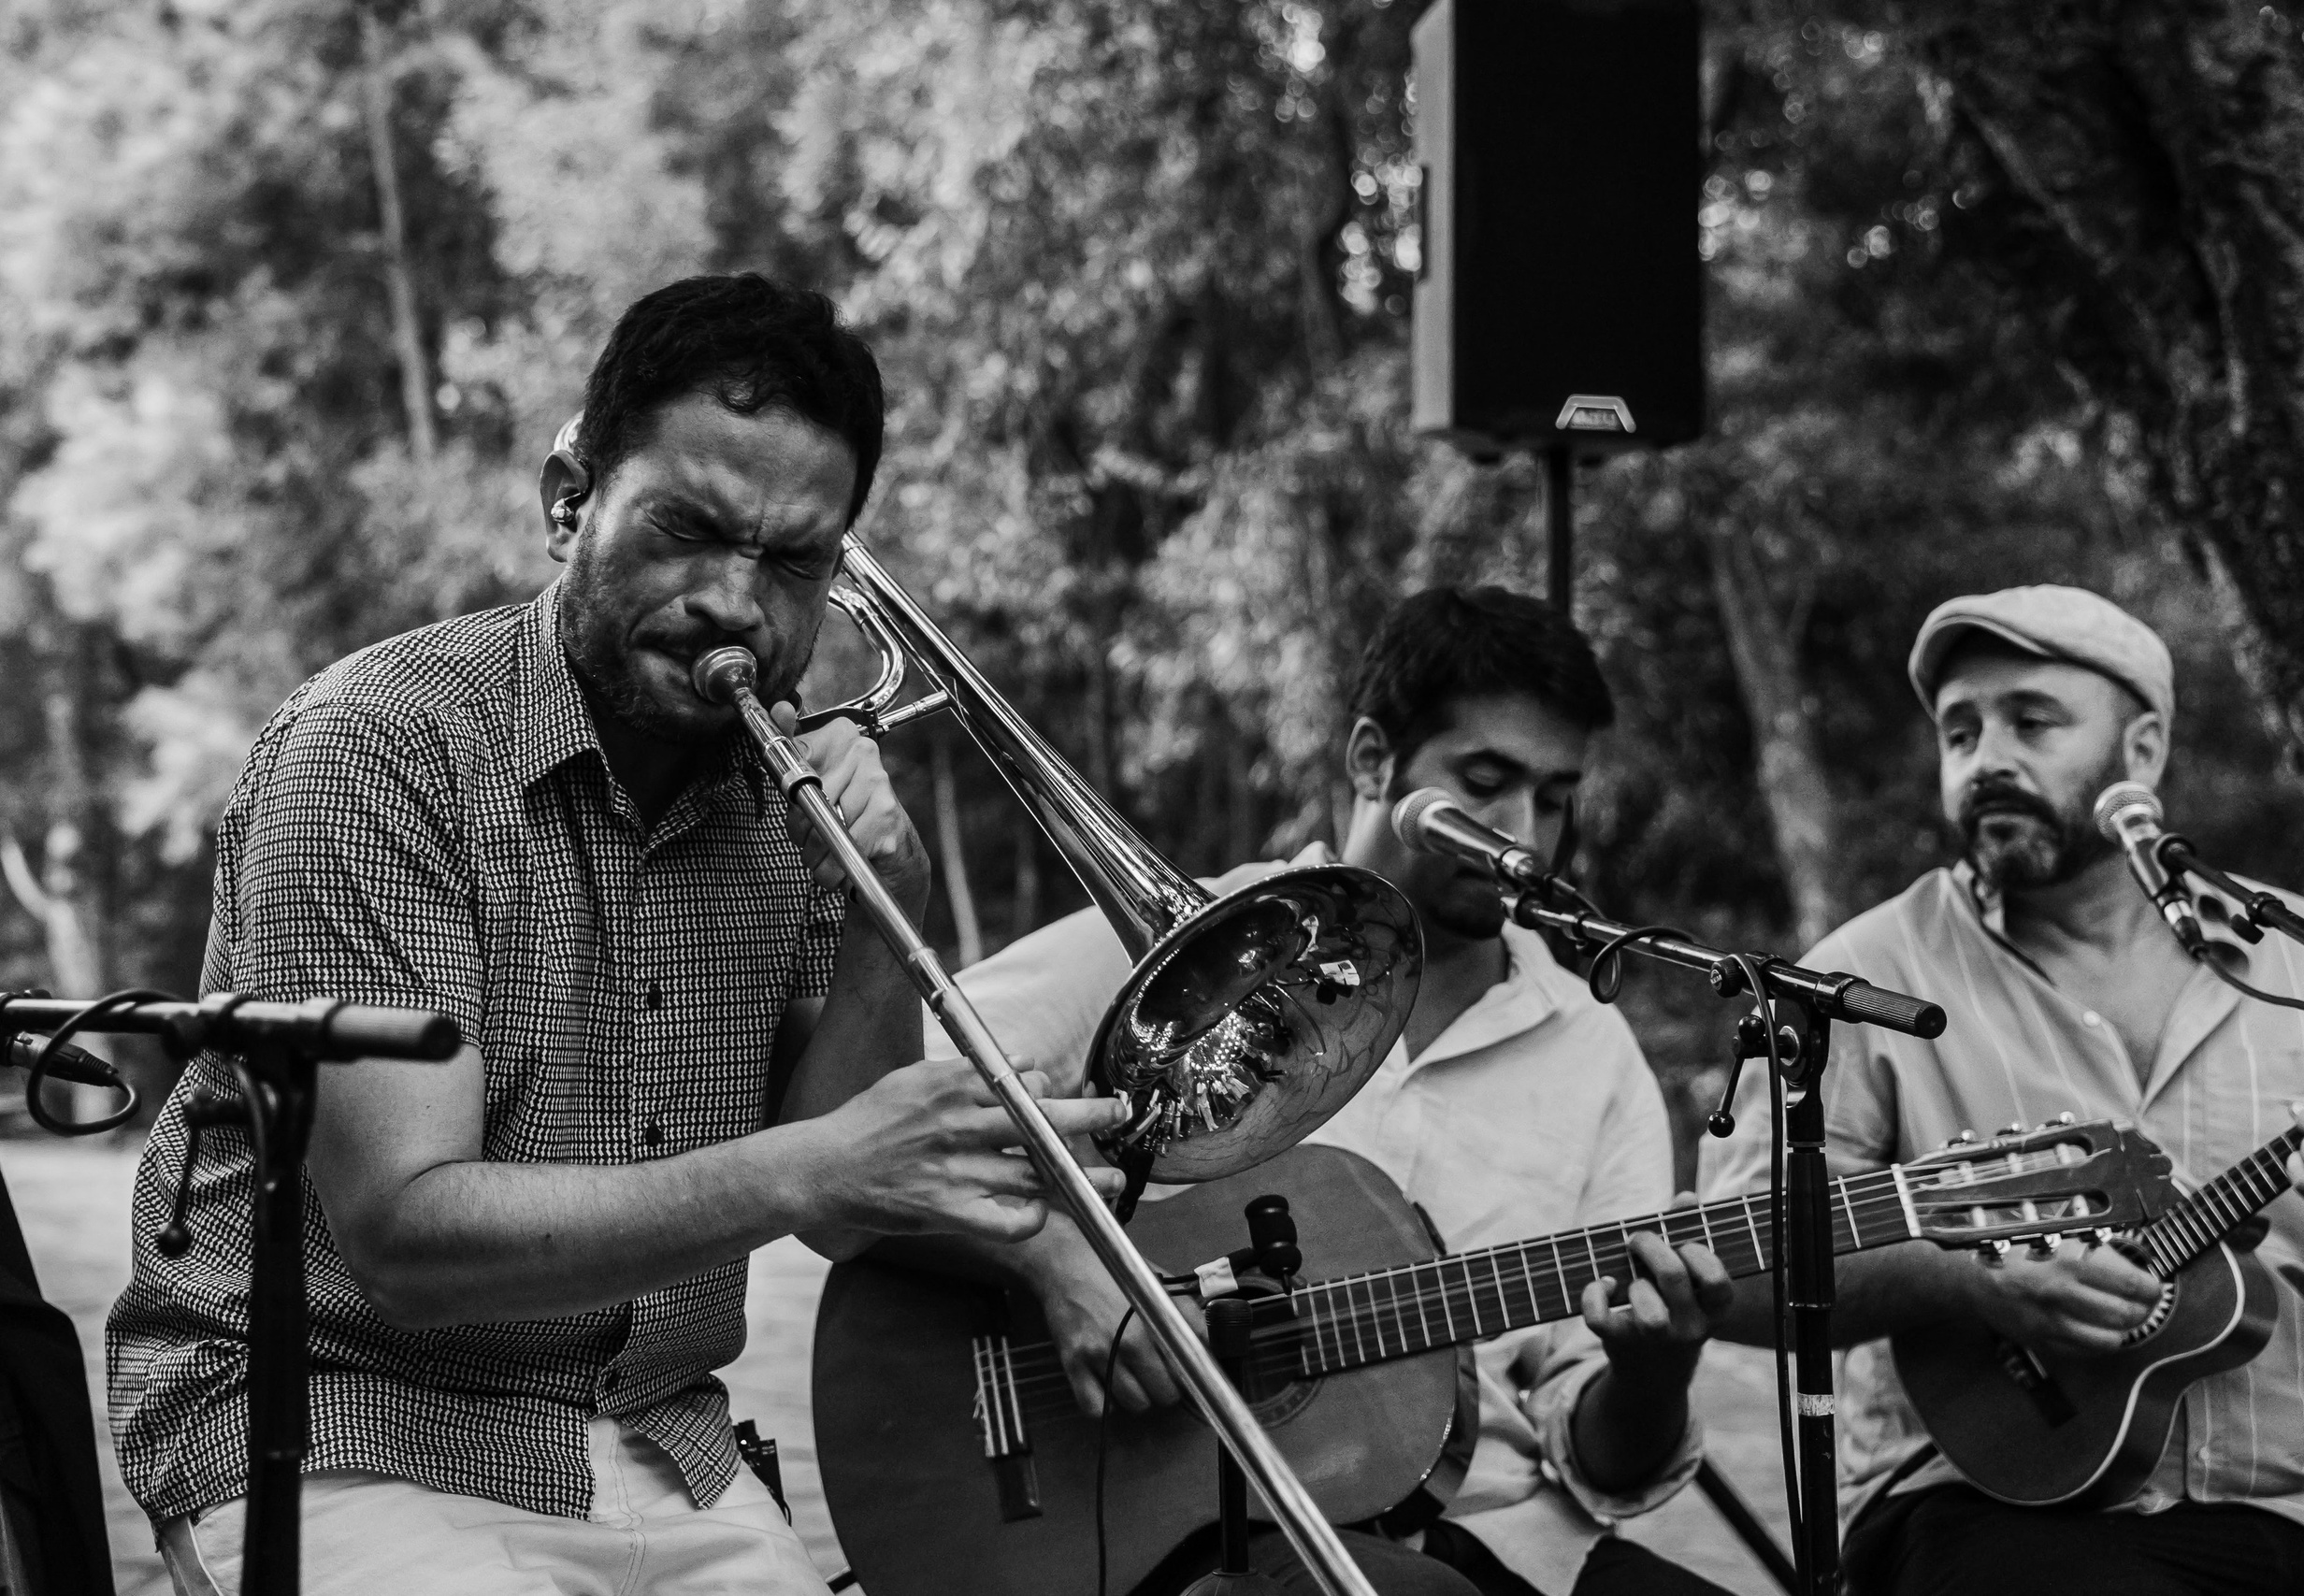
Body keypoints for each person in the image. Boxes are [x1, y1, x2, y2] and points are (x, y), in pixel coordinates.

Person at [106, 274, 1126, 1596]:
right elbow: (410, 1233)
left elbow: (851, 1200)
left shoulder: (794, 786)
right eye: (689, 530)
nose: (735, 604)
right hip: (339, 1430)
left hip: (662, 1445)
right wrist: (808, 1165)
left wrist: (891, 908)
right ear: (568, 501)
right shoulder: (379, 745)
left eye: (794, 561)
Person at [922, 587, 1735, 1596]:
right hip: (1183, 1520)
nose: (1525, 832)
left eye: (1557, 796)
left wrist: (1657, 1370)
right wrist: (1055, 1261)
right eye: (1485, 781)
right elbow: (895, 1105)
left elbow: (1601, 1451)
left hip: (1499, 1540)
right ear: (1370, 760)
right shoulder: (1191, 943)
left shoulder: (1593, 1051)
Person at [1702, 584, 2304, 1596]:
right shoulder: (1862, 980)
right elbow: (1736, 1261)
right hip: (1990, 1504)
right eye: (1960, 731)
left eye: (2032, 721)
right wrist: (1972, 1283)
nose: (1986, 759)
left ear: (2143, 752)